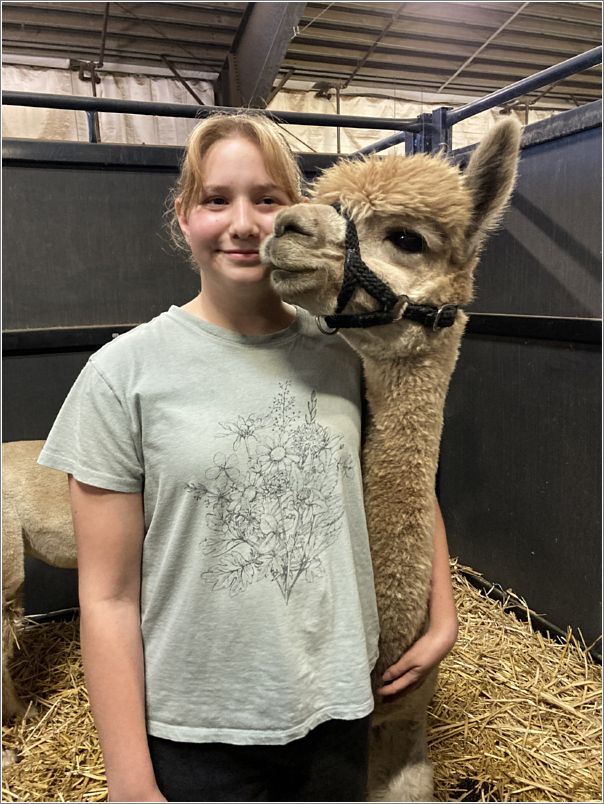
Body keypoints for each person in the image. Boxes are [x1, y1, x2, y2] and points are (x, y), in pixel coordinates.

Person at [38, 112, 458, 803]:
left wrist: (442, 615)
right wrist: (130, 782)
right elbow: (107, 597)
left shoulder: (344, 348)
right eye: (216, 199)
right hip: (199, 728)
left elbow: (401, 474)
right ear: (184, 216)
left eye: (267, 199)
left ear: (298, 214)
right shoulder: (124, 373)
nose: (243, 223)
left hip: (339, 710)